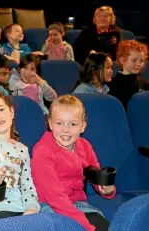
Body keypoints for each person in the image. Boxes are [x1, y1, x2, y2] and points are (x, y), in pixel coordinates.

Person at [31, 95, 115, 231]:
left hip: (78, 203)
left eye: (73, 124)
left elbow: (94, 173)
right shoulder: (43, 151)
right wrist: (85, 225)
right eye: (59, 123)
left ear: (83, 126)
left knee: (104, 226)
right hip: (49, 205)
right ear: (50, 124)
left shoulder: (85, 145)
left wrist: (106, 189)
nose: (65, 129)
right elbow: (55, 197)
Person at [0, 91, 40, 220]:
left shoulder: (22, 150)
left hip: (22, 208)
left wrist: (32, 207)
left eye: (1, 110)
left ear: (11, 112)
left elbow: (27, 184)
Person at [108, 40, 149, 109]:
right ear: (122, 60)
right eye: (134, 60)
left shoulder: (144, 83)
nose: (139, 64)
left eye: (141, 61)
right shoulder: (113, 85)